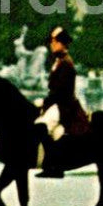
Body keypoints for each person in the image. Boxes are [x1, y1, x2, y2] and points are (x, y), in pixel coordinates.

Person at [34, 25, 90, 178]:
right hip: (58, 102)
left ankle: (53, 165)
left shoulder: (65, 63)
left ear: (61, 44)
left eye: (54, 41)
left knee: (41, 126)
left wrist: (45, 104)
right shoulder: (60, 61)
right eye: (52, 41)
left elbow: (60, 91)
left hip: (63, 105)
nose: (52, 44)